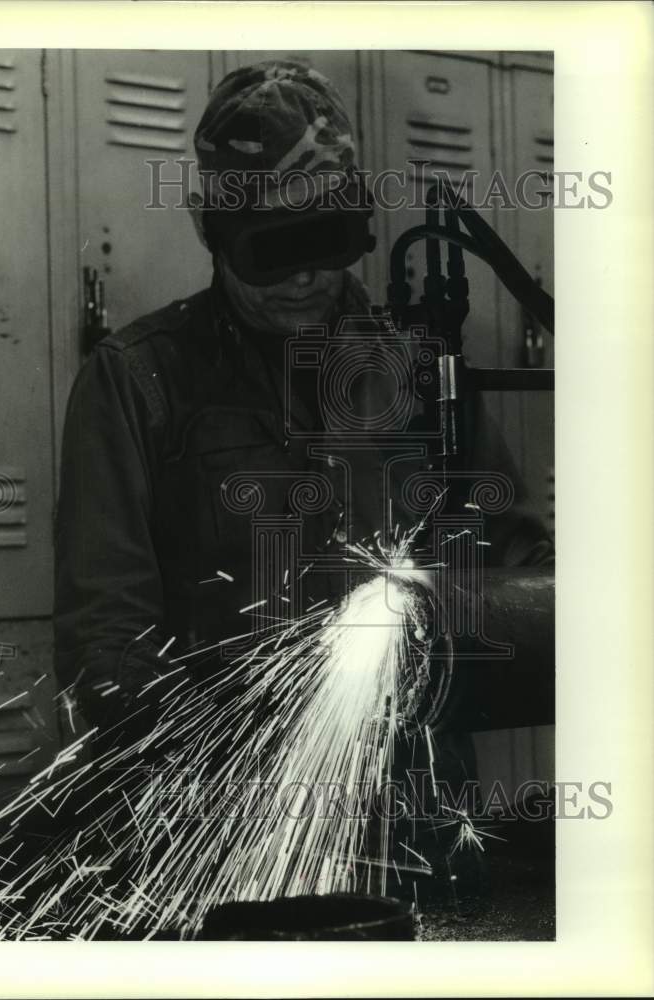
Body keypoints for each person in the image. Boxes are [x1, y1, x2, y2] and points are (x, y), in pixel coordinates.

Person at [53, 60, 553, 740]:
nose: (305, 276)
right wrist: (178, 742)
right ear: (213, 232)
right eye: (273, 250)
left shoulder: (415, 369)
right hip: (220, 789)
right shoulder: (137, 381)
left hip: (406, 784)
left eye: (324, 241)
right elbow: (104, 628)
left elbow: (511, 552)